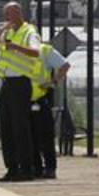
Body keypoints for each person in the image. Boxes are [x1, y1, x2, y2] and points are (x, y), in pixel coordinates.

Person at [0, 2, 42, 182]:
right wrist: (4, 28)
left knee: (21, 127)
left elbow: (36, 52)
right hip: (7, 83)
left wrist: (16, 47)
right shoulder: (8, 32)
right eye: (7, 14)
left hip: (21, 83)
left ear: (20, 13)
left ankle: (26, 168)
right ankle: (11, 168)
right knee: (7, 127)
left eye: (13, 13)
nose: (10, 16)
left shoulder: (29, 32)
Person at [30, 43, 71, 179]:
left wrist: (53, 81)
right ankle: (36, 167)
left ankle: (49, 168)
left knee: (45, 134)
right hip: (23, 98)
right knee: (30, 136)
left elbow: (65, 65)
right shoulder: (18, 51)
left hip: (41, 97)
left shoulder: (44, 50)